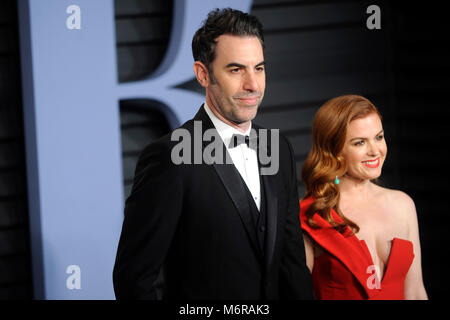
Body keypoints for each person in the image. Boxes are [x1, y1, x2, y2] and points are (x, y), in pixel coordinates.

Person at [113, 8, 313, 300]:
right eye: (236, 70)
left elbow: (291, 263)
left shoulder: (277, 148)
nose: (253, 85)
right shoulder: (170, 157)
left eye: (259, 68)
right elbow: (133, 278)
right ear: (203, 74)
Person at [299, 94, 428, 300]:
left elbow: (415, 292)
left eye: (379, 137)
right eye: (359, 143)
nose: (375, 151)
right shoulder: (309, 216)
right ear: (334, 150)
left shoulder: (403, 205)